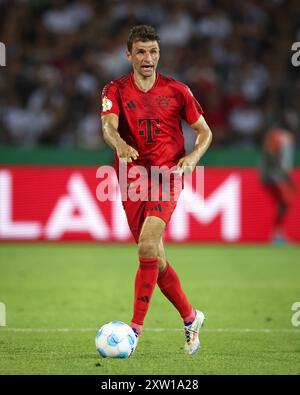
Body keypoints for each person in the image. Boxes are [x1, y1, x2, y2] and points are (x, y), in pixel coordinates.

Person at [101, 25, 212, 355]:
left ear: (159, 54)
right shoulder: (115, 89)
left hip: (167, 175)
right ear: (129, 55)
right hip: (131, 178)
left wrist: (192, 157)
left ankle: (134, 331)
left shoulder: (177, 91)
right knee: (155, 257)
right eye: (141, 52)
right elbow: (108, 125)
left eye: (153, 52)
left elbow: (204, 132)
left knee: (147, 244)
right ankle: (191, 318)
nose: (148, 58)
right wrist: (119, 143)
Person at [260, 126, 296, 244]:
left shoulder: (274, 138)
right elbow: (282, 164)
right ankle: (277, 233)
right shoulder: (280, 139)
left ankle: (277, 233)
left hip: (270, 176)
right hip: (274, 177)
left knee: (284, 202)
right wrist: (289, 181)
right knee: (285, 202)